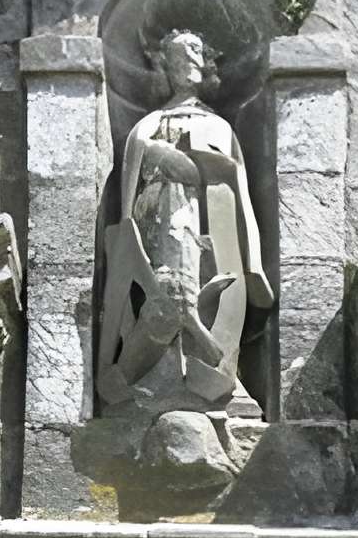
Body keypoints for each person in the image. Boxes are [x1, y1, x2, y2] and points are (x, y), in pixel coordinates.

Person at [97, 28, 273, 413]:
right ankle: (157, 375)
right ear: (166, 67)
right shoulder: (149, 124)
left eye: (194, 53)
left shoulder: (220, 126)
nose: (187, 63)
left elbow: (237, 190)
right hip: (160, 215)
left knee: (204, 292)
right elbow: (130, 182)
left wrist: (252, 261)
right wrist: (157, 156)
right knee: (166, 292)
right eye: (178, 57)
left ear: (206, 64)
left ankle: (215, 372)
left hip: (206, 223)